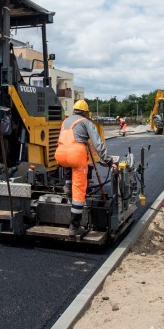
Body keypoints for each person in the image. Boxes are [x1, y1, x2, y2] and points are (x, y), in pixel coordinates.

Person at [55, 99, 115, 236]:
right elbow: (97, 144)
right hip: (76, 156)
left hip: (60, 155)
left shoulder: (65, 122)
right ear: (86, 113)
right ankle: (74, 227)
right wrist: (107, 160)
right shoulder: (86, 122)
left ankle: (67, 185)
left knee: (69, 171)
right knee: (79, 191)